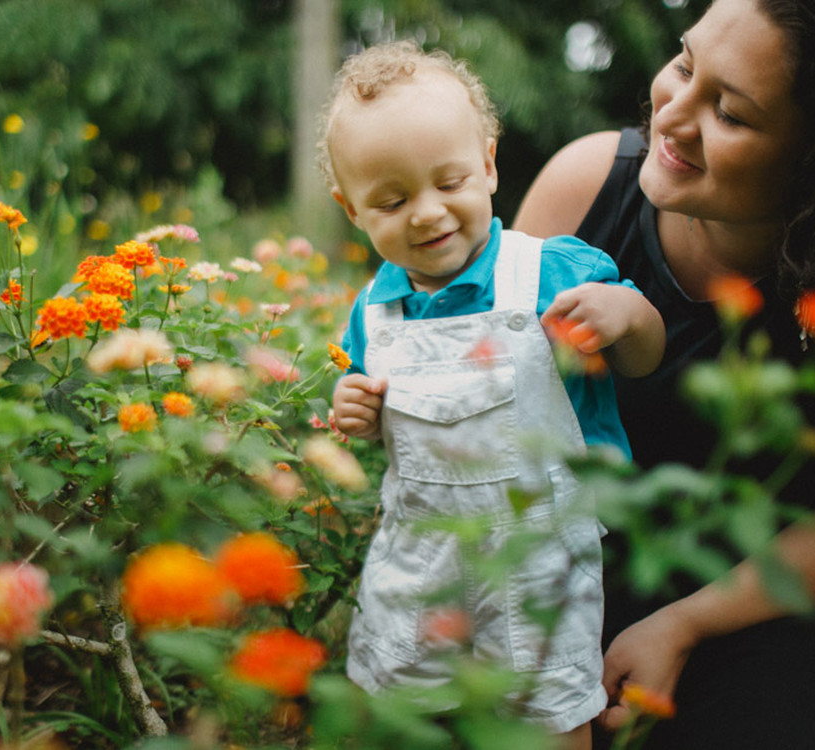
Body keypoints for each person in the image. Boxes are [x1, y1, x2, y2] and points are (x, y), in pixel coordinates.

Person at [512, 0, 815, 747]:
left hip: (799, 599)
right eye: (682, 63)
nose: (672, 116)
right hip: (595, 566)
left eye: (730, 113)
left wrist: (684, 624)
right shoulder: (583, 191)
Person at [318, 41, 665, 748]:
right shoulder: (374, 311)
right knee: (398, 702)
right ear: (350, 208)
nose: (426, 213)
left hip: (538, 552)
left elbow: (646, 355)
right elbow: (367, 402)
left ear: (488, 163)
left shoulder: (551, 270)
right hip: (419, 552)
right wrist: (352, 407)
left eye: (449, 182)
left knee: (550, 708)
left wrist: (625, 316)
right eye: (391, 200)